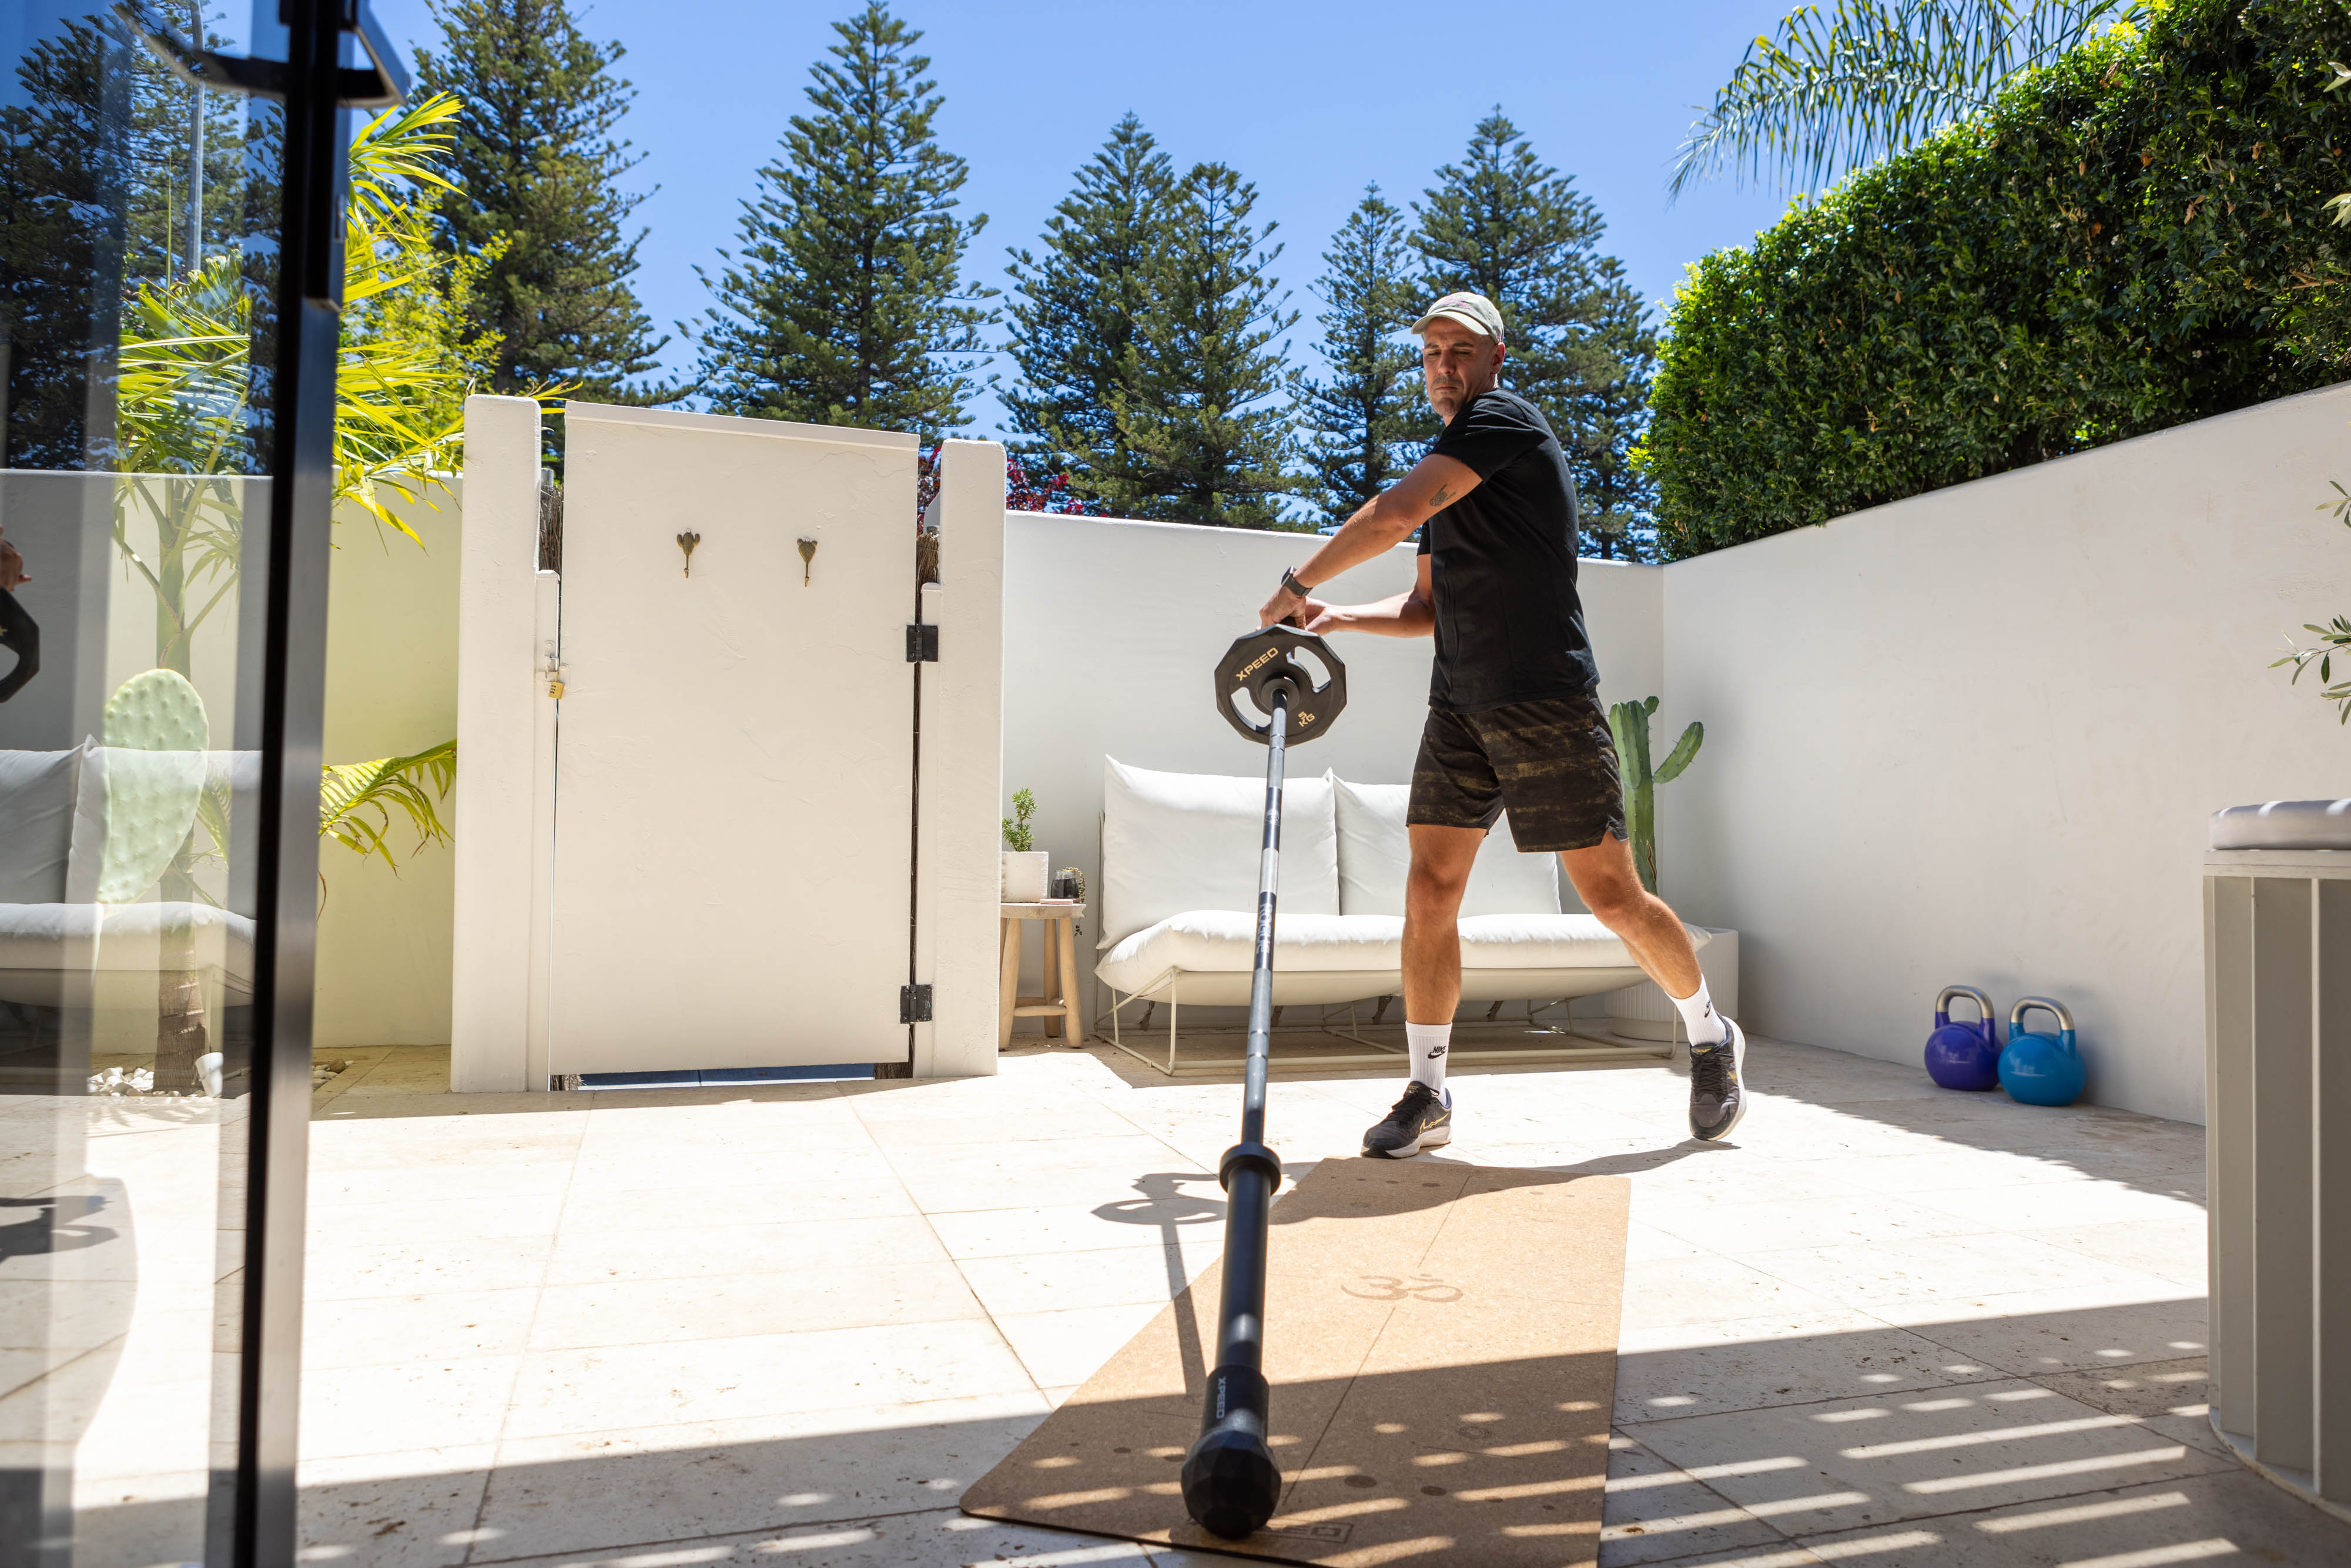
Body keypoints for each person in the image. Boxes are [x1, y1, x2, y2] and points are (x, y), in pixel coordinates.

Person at [1254, 290, 1746, 1157]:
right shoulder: (1451, 469)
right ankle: (1429, 1091)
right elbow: (1424, 608)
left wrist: (1295, 583)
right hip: (1461, 707)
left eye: (1460, 352)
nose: (1444, 367)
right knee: (1430, 889)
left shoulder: (1503, 423)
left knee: (1612, 898)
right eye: (1431, 353)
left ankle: (1710, 1036)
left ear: (1494, 360)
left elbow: (1392, 514)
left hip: (1545, 697)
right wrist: (1335, 616)